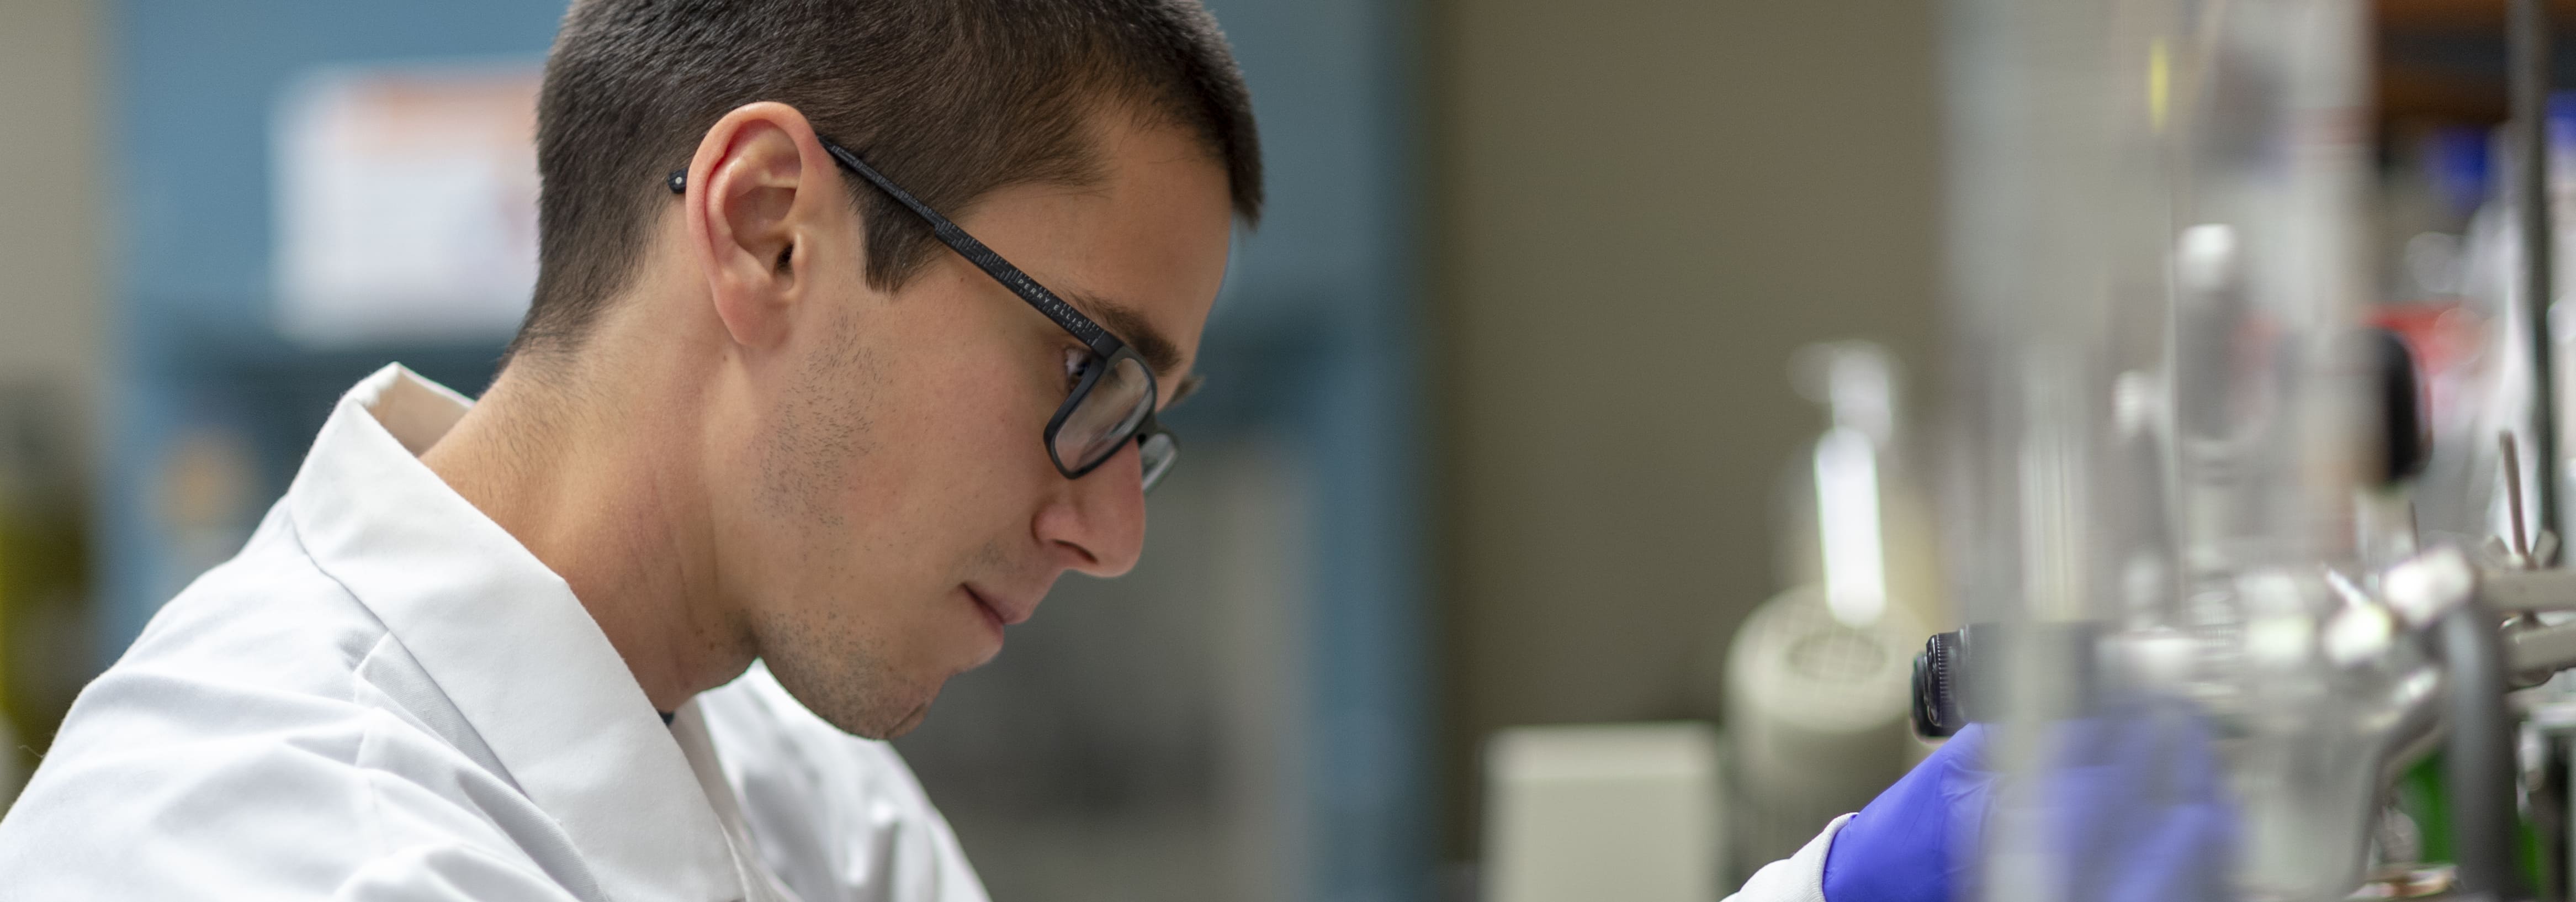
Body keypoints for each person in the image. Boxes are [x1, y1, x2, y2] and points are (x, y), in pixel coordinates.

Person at [0, 1, 1258, 898]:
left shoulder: (813, 795)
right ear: (768, 229)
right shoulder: (261, 847)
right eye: (1091, 369)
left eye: (1141, 426)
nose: (1112, 534)